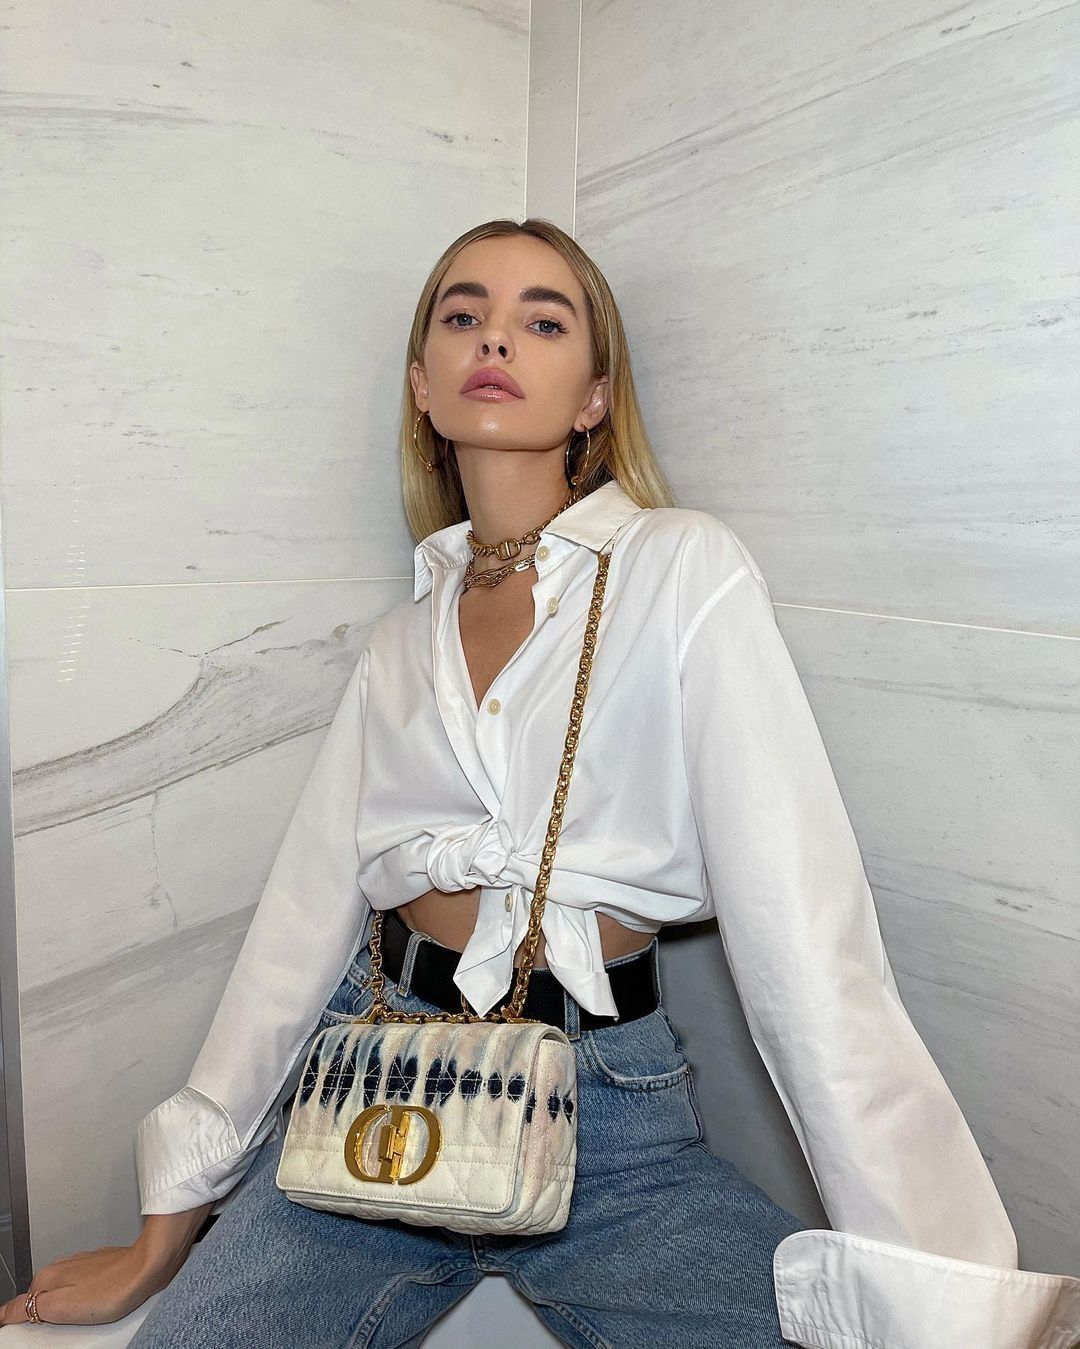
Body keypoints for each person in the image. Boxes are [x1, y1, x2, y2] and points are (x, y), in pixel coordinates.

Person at [3, 219, 1077, 1348]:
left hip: (613, 1129)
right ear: (423, 385)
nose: (495, 338)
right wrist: (165, 1229)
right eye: (463, 315)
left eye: (543, 320)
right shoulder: (401, 640)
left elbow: (806, 937)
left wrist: (936, 1302)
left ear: (595, 396)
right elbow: (300, 921)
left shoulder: (681, 567)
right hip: (375, 1095)